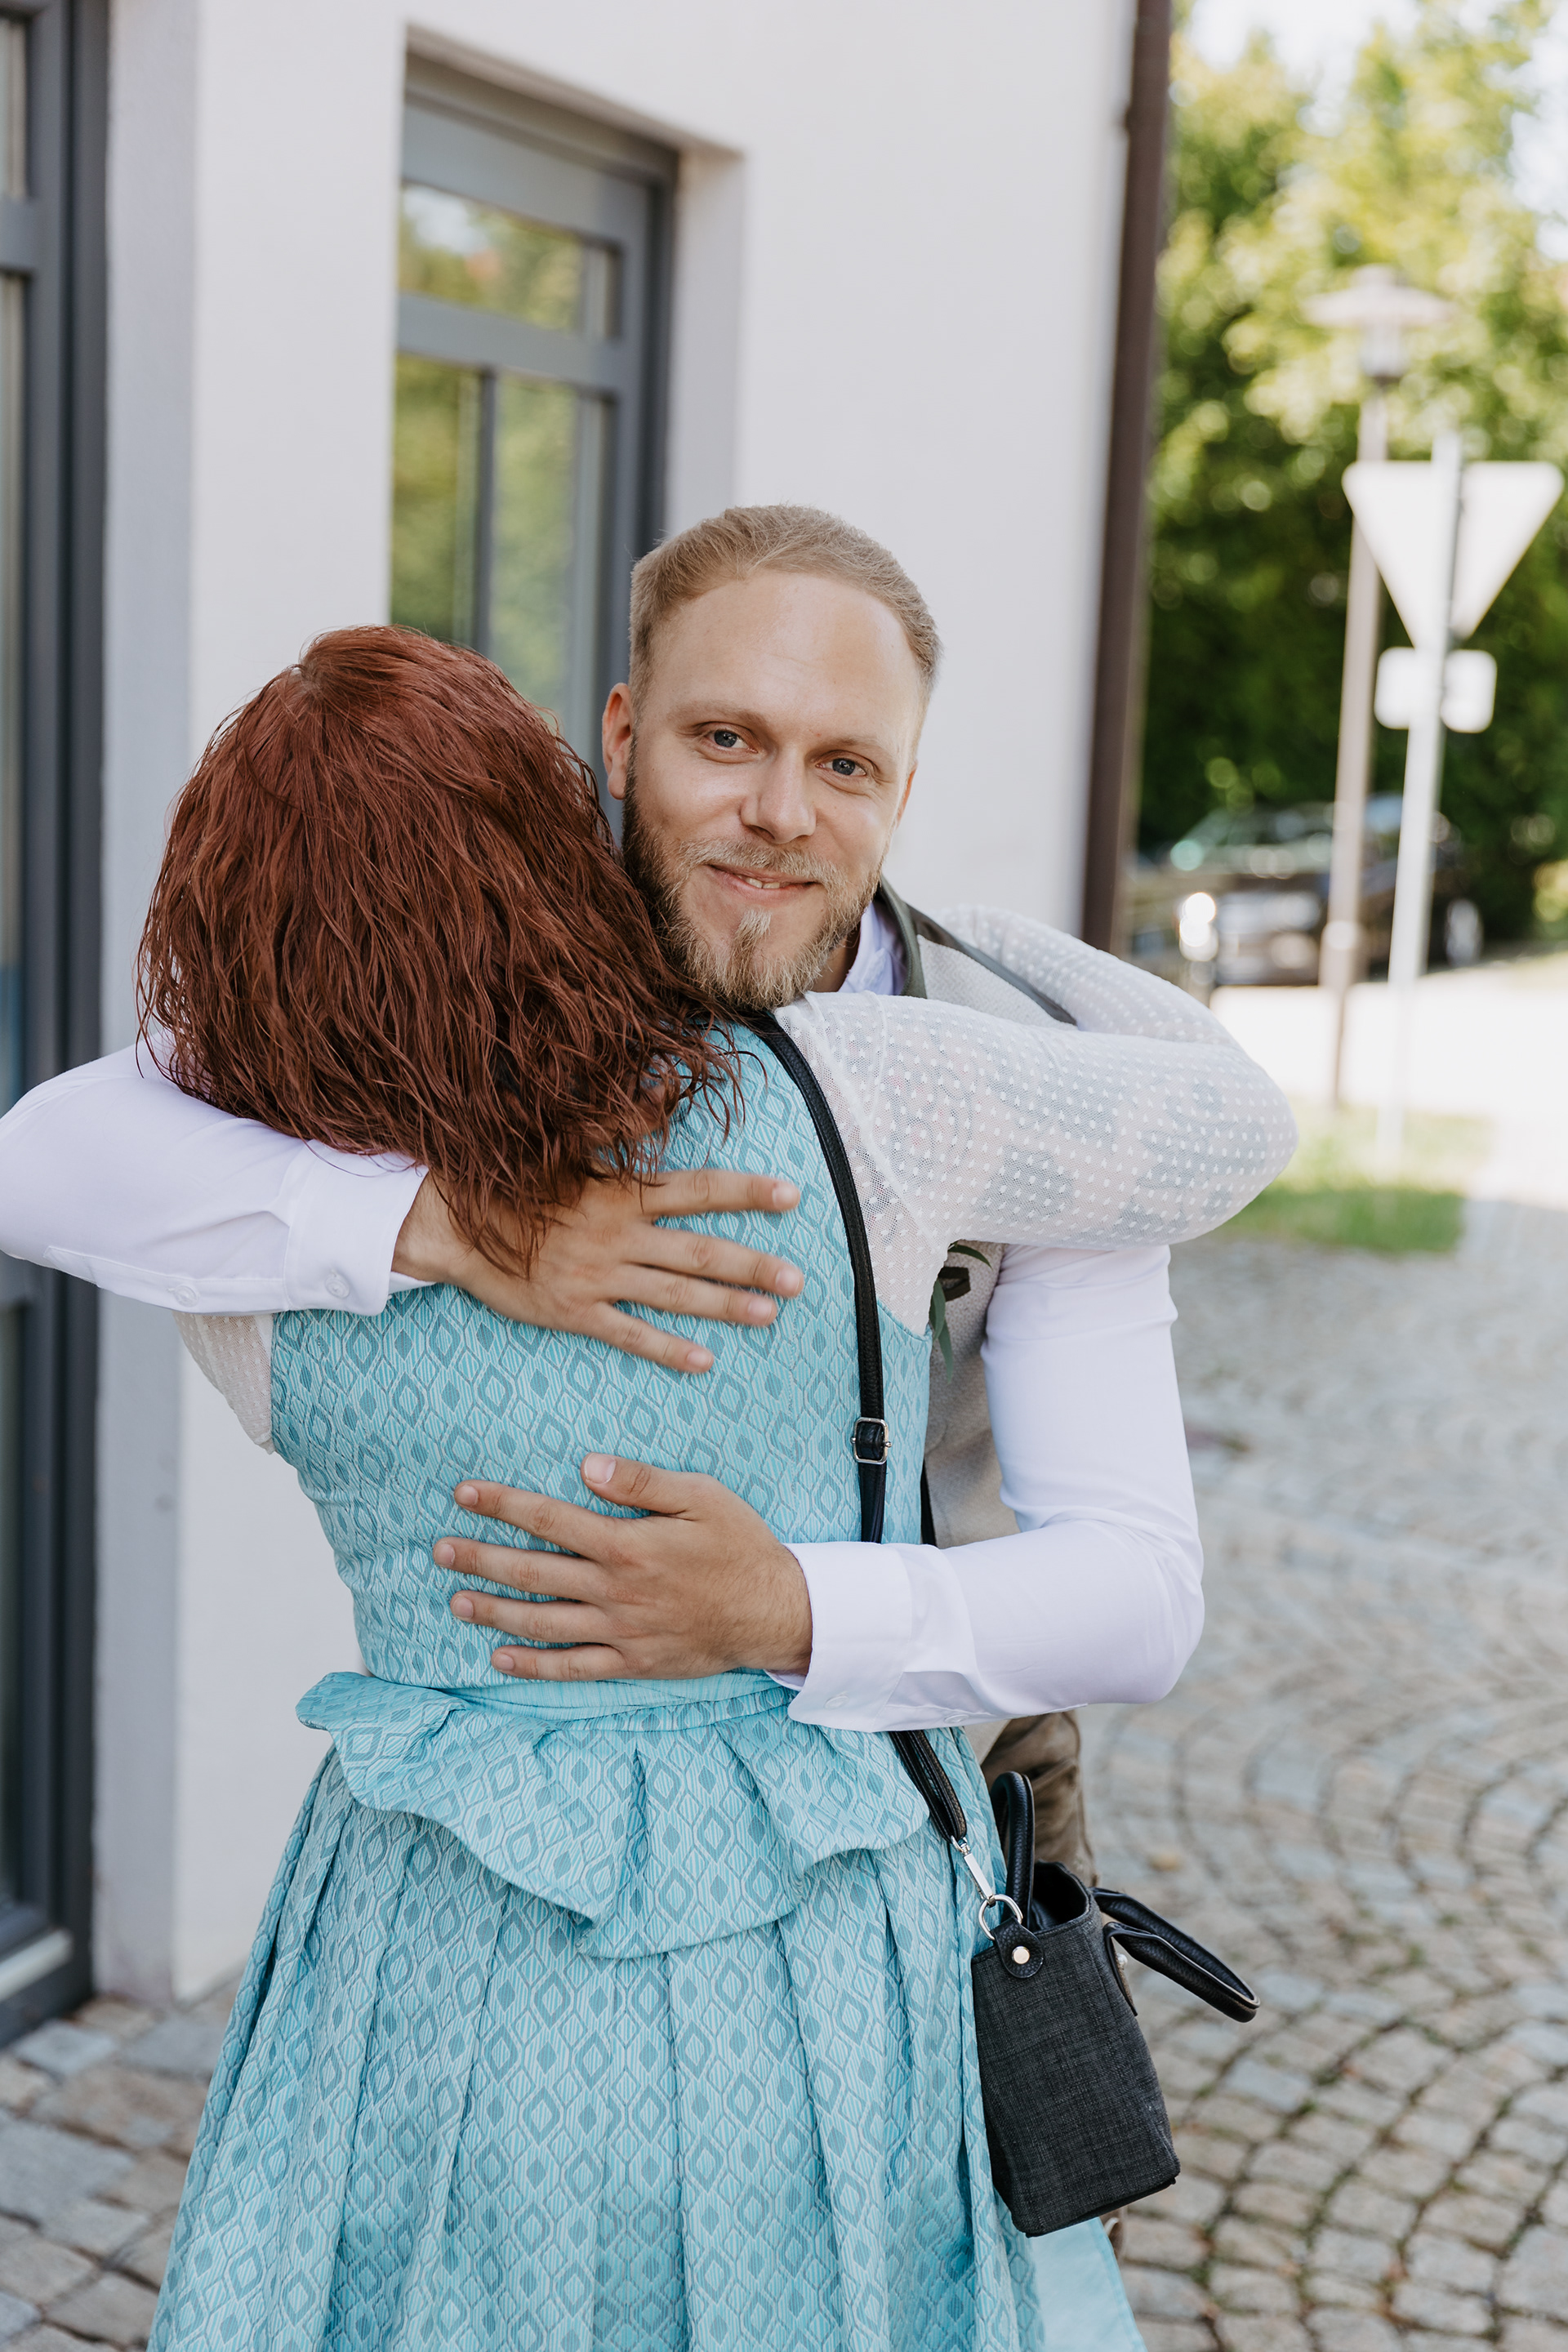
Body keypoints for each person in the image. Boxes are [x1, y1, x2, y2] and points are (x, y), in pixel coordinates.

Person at [24, 624, 1291, 2352]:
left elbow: (50, 1144)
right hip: (812, 1920)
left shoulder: (242, 1244)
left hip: (426, 1938)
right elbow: (1230, 1123)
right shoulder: (859, 1093)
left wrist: (405, 1221)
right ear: (572, 833)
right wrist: (990, 932)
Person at [0, 507, 1294, 1882]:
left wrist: (792, 1608)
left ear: (903, 791)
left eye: (845, 765)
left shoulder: (1030, 1072)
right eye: (725, 739)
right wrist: (451, 1227)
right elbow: (56, 1151)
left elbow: (1138, 1592)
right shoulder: (484, 979)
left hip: (967, 1776)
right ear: (623, 739)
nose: (781, 813)